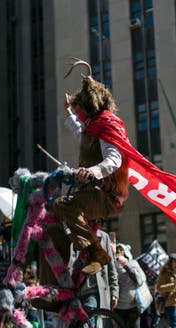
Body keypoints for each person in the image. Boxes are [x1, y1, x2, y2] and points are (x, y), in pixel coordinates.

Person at [53, 71, 130, 277]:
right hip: (93, 193)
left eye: (79, 111)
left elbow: (115, 159)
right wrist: (68, 113)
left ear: (89, 108)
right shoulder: (92, 129)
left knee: (63, 205)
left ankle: (97, 254)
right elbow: (80, 134)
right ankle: (62, 278)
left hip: (107, 196)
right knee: (54, 221)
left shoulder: (106, 128)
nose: (78, 116)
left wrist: (91, 171)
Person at [114, 243, 151, 328]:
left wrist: (126, 265)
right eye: (117, 250)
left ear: (125, 252)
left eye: (121, 250)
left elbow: (139, 280)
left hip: (133, 305)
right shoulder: (113, 265)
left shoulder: (133, 263)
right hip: (118, 305)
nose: (119, 252)